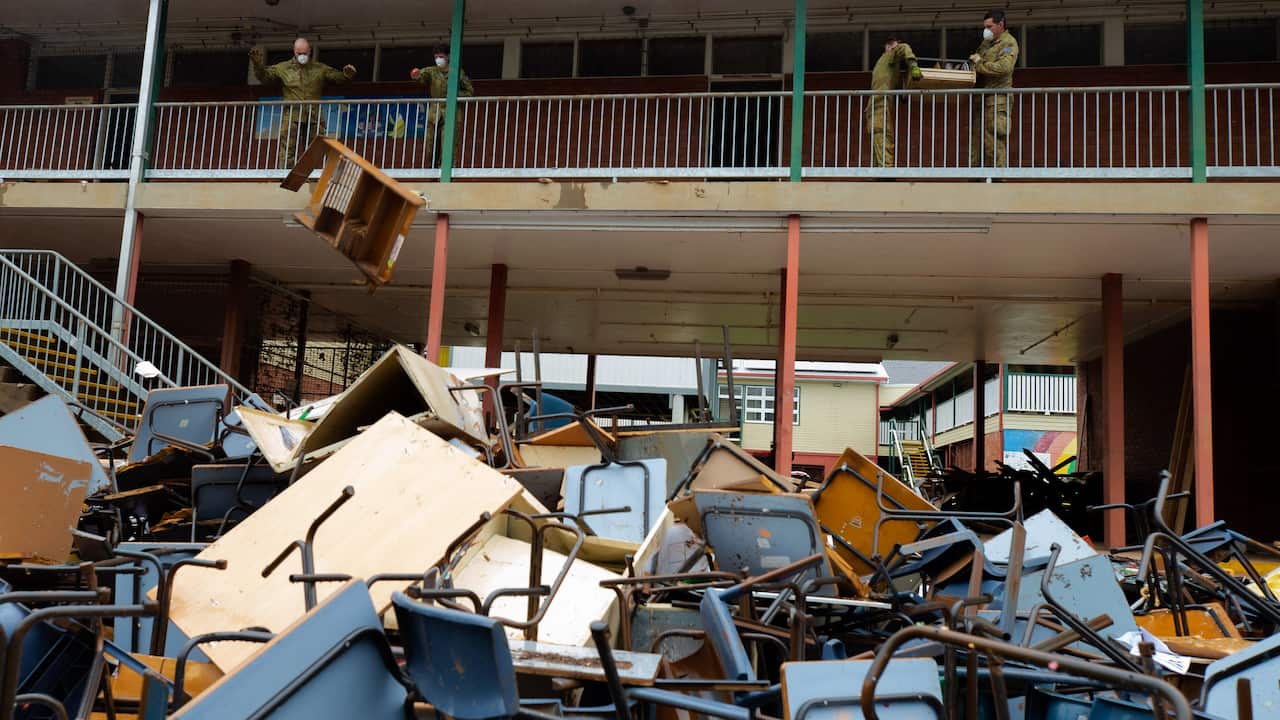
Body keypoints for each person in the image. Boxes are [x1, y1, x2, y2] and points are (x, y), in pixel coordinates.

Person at [251, 38, 356, 168]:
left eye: (305, 53)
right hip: (292, 115)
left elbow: (337, 77)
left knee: (314, 149)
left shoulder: (319, 68)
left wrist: (346, 75)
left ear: (310, 51)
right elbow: (266, 77)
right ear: (294, 51)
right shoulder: (283, 68)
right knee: (288, 147)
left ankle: (311, 174)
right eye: (299, 53)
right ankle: (285, 174)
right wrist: (257, 66)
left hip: (314, 116)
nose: (302, 56)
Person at [968, 9, 1019, 170]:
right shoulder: (986, 43)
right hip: (981, 98)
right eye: (985, 27)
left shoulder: (1008, 43)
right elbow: (976, 58)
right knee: (976, 139)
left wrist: (979, 64)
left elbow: (1003, 68)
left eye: (989, 27)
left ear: (1000, 25)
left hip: (998, 99)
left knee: (994, 139)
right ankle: (975, 176)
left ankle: (997, 177)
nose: (986, 30)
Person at [410, 45, 475, 168]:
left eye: (441, 56)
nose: (438, 59)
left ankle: (446, 171)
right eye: (436, 57)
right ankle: (431, 171)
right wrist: (416, 75)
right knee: (431, 144)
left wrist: (454, 93)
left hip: (451, 113)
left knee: (448, 144)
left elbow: (469, 92)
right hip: (434, 113)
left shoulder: (457, 72)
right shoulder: (432, 71)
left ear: (448, 57)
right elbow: (421, 76)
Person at [866, 35, 922, 169]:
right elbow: (903, 48)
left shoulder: (885, 67)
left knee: (878, 138)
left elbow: (893, 83)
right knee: (884, 135)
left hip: (875, 105)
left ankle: (878, 172)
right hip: (881, 103)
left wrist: (904, 92)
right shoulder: (890, 56)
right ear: (889, 47)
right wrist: (913, 65)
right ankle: (885, 171)